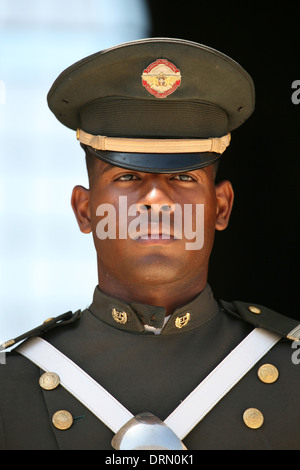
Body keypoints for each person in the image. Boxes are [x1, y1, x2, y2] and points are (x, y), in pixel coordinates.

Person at [0, 38, 299, 451]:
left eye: (184, 177)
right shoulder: (9, 387)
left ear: (221, 207)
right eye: (126, 177)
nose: (156, 201)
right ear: (85, 210)